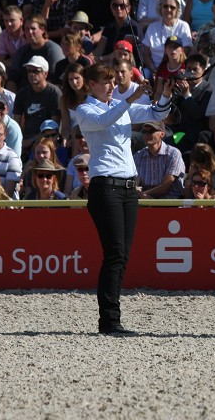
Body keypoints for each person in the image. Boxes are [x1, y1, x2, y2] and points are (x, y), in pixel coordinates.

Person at [73, 63, 173, 335]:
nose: (111, 86)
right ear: (92, 85)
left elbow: (158, 114)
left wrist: (165, 92)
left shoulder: (121, 105)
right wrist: (129, 98)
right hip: (105, 186)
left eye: (113, 81)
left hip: (129, 188)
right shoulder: (85, 110)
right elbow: (104, 121)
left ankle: (112, 318)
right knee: (114, 254)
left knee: (123, 256)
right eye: (106, 82)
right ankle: (108, 320)